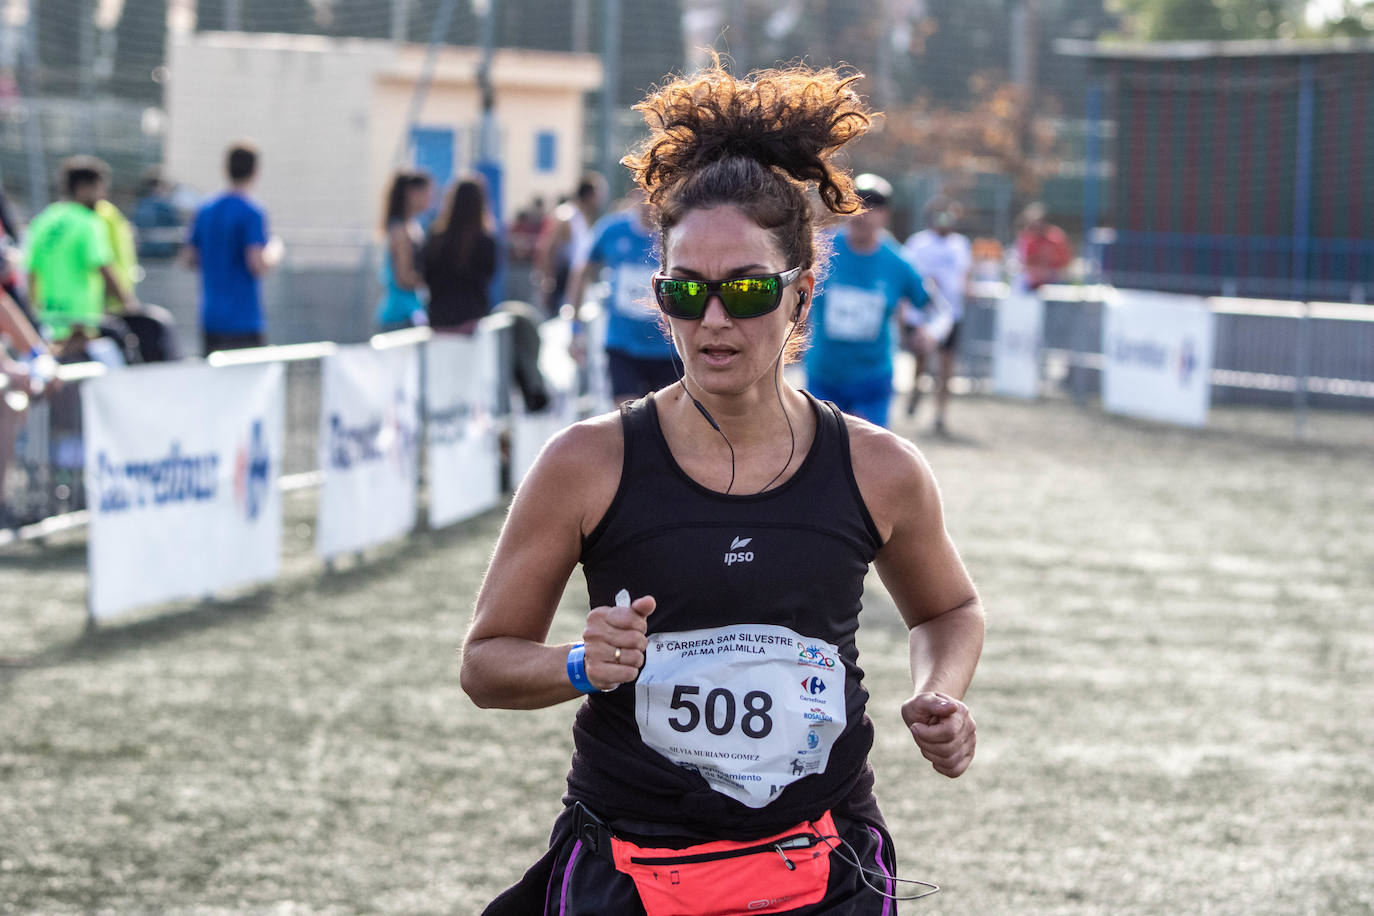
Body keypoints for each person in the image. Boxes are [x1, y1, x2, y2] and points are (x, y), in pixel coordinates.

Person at [462, 63, 984, 915]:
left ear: (800, 294)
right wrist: (578, 663)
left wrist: (943, 693)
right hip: (631, 871)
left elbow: (948, 611)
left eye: (744, 290)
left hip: (822, 870)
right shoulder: (586, 463)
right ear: (658, 299)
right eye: (683, 291)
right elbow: (485, 665)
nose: (712, 320)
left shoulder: (879, 467)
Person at [804, 173, 935, 429]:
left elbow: (936, 308)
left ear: (885, 214)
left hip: (872, 381)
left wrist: (927, 332)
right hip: (823, 377)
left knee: (870, 462)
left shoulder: (899, 262)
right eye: (855, 202)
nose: (862, 211)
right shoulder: (818, 248)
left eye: (872, 205)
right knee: (820, 459)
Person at [568, 188, 676, 404]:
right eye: (643, 196)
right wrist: (575, 327)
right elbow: (581, 273)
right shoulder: (611, 230)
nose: (648, 204)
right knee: (628, 418)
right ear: (633, 196)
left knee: (668, 422)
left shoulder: (674, 231)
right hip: (622, 344)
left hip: (666, 348)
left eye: (654, 198)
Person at [25, 156, 136, 348]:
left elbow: (31, 271)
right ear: (83, 188)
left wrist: (34, 310)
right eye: (99, 189)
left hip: (50, 318)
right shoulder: (88, 222)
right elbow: (103, 266)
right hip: (82, 322)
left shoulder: (42, 221)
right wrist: (129, 305)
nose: (102, 196)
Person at [184, 142, 278, 356]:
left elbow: (188, 258)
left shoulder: (205, 209)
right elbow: (257, 264)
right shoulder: (252, 212)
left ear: (225, 169)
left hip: (211, 318)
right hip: (243, 320)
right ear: (255, 172)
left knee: (216, 386)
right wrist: (273, 252)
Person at [903, 197, 972, 433]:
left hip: (949, 314)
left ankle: (940, 413)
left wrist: (964, 290)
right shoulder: (918, 243)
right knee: (920, 360)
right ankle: (916, 390)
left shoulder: (960, 244)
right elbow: (909, 275)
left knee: (946, 364)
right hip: (923, 313)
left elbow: (963, 275)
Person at [421, 176, 497, 334]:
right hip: (472, 321)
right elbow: (489, 277)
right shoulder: (485, 241)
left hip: (439, 320)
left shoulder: (436, 238)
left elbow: (426, 276)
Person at [534, 173, 606, 317]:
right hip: (562, 286)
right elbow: (546, 248)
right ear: (589, 195)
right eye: (598, 194)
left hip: (574, 286)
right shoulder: (566, 216)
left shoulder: (582, 217)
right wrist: (548, 280)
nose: (601, 200)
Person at [375, 169, 433, 332]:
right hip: (399, 317)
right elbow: (404, 278)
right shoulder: (400, 231)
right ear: (411, 193)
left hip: (412, 312)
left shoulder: (413, 226)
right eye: (426, 192)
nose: (430, 198)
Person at [1014, 202, 1072, 291]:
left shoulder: (1056, 237)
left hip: (1054, 280)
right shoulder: (1026, 239)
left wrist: (1047, 272)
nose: (1036, 226)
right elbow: (1023, 264)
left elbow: (1065, 265)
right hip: (1031, 283)